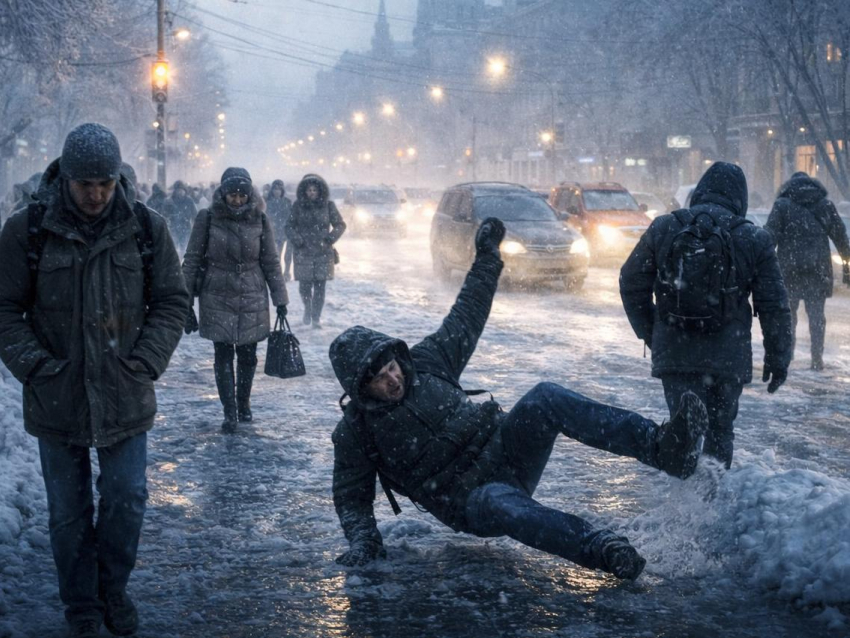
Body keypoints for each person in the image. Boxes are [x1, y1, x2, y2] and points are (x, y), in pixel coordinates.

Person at [330, 217, 710, 580]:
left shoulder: (426, 363)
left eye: (392, 368)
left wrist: (488, 256)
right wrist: (364, 542)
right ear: (362, 389)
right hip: (471, 499)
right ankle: (604, 549)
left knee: (545, 397)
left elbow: (467, 314)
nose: (393, 379)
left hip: (506, 448)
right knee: (503, 501)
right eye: (380, 379)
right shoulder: (357, 432)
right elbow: (351, 497)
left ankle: (663, 449)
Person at [0, 123, 189, 638]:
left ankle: (114, 591)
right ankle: (81, 605)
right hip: (56, 397)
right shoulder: (28, 230)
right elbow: (4, 308)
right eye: (86, 184)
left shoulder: (146, 229)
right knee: (68, 512)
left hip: (125, 393)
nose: (96, 194)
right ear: (66, 179)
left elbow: (172, 301)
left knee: (127, 499)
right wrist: (36, 366)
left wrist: (145, 360)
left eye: (105, 184)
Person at [620, 162, 793, 470]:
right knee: (720, 431)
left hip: (675, 352)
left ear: (699, 191)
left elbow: (631, 281)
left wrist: (652, 331)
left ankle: (683, 498)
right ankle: (712, 500)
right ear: (740, 199)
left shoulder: (664, 227)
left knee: (682, 430)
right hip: (728, 356)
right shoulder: (754, 238)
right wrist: (778, 357)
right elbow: (774, 305)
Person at [182, 167, 289, 431]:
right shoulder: (207, 218)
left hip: (252, 293)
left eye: (242, 194)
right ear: (224, 193)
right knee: (222, 354)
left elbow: (271, 262)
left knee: (248, 355)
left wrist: (280, 298)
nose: (237, 200)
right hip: (216, 293)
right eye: (233, 194)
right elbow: (192, 259)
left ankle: (244, 402)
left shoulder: (260, 220)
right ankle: (229, 410)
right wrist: (185, 299)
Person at [765, 172, 850, 370]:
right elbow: (840, 237)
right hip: (817, 269)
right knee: (816, 316)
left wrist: (761, 263)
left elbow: (770, 236)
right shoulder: (825, 205)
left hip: (789, 269)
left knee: (789, 315)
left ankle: (788, 354)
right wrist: (847, 265)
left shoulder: (782, 206)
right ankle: (816, 358)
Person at [285, 174, 346, 328]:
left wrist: (329, 239)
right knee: (304, 286)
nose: (311, 193)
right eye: (308, 190)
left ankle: (316, 317)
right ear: (304, 191)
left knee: (320, 287)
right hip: (303, 252)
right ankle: (308, 309)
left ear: (320, 191)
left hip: (323, 252)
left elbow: (340, 225)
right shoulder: (297, 206)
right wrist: (298, 240)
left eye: (314, 190)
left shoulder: (329, 206)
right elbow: (289, 226)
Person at [265, 179, 294, 280]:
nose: (277, 191)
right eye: (275, 189)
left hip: (287, 231)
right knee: (277, 254)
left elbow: (292, 216)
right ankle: (278, 273)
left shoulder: (287, 202)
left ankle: (286, 272)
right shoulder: (267, 202)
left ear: (282, 190)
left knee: (288, 254)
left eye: (279, 189)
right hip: (276, 232)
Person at [166, 179, 197, 252]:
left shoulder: (189, 201)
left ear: (184, 190)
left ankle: (183, 261)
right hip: (174, 228)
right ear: (175, 191)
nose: (179, 192)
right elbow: (165, 215)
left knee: (185, 248)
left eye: (181, 190)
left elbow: (194, 215)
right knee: (174, 248)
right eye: (178, 190)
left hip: (185, 229)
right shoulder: (170, 201)